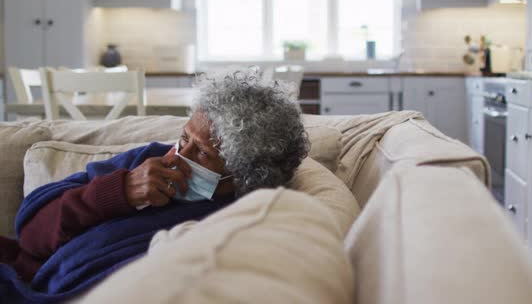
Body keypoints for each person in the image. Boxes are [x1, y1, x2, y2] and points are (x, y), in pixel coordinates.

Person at [0, 68, 309, 303]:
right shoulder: (147, 158)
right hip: (18, 270)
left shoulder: (225, 226)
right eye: (184, 138)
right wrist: (118, 191)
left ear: (243, 175)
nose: (178, 156)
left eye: (202, 152)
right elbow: (30, 234)